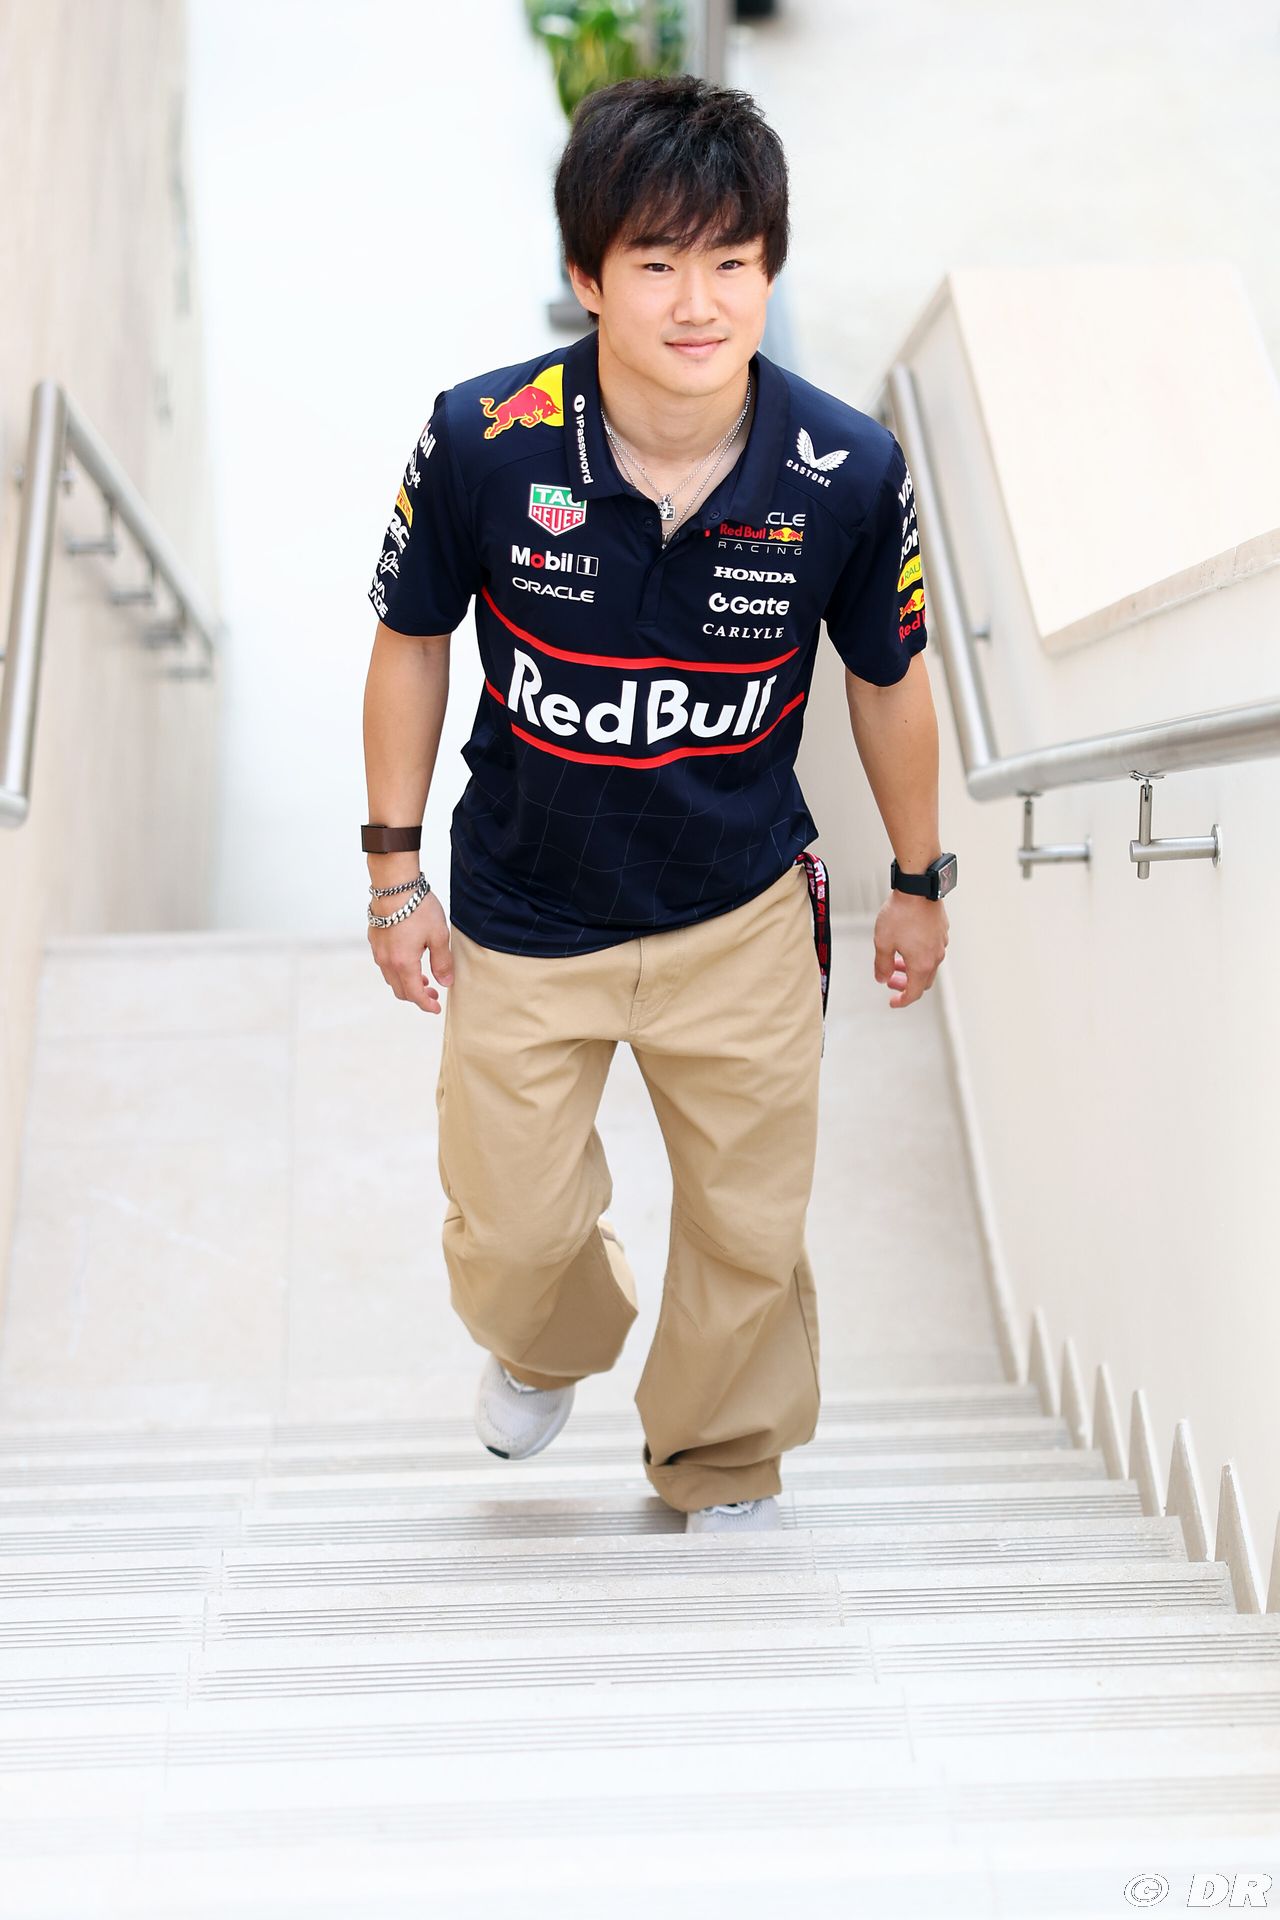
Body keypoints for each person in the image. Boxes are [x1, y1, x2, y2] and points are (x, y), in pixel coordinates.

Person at [360, 75, 955, 1535]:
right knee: (513, 1234)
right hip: (524, 909)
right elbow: (411, 641)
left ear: (771, 271)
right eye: (658, 263)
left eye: (733, 263)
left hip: (739, 911)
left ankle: (721, 1459)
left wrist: (920, 879)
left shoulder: (849, 471)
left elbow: (888, 679)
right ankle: (548, 1341)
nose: (701, 304)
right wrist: (393, 872)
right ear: (586, 275)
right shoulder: (483, 437)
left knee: (750, 1228)